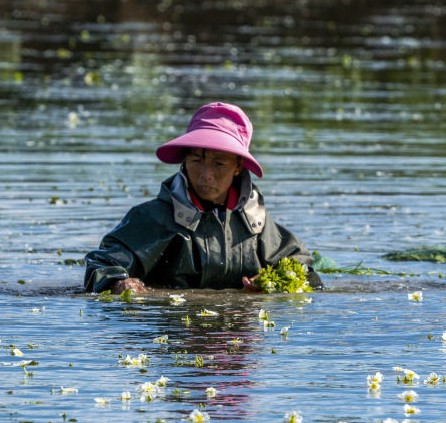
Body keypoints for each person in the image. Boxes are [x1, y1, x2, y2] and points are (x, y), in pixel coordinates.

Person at [84, 102, 322, 294]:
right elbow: (101, 265)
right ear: (185, 159)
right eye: (197, 160)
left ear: (238, 167)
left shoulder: (255, 223)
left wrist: (273, 282)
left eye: (219, 163)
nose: (206, 175)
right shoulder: (153, 218)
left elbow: (303, 270)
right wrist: (118, 284)